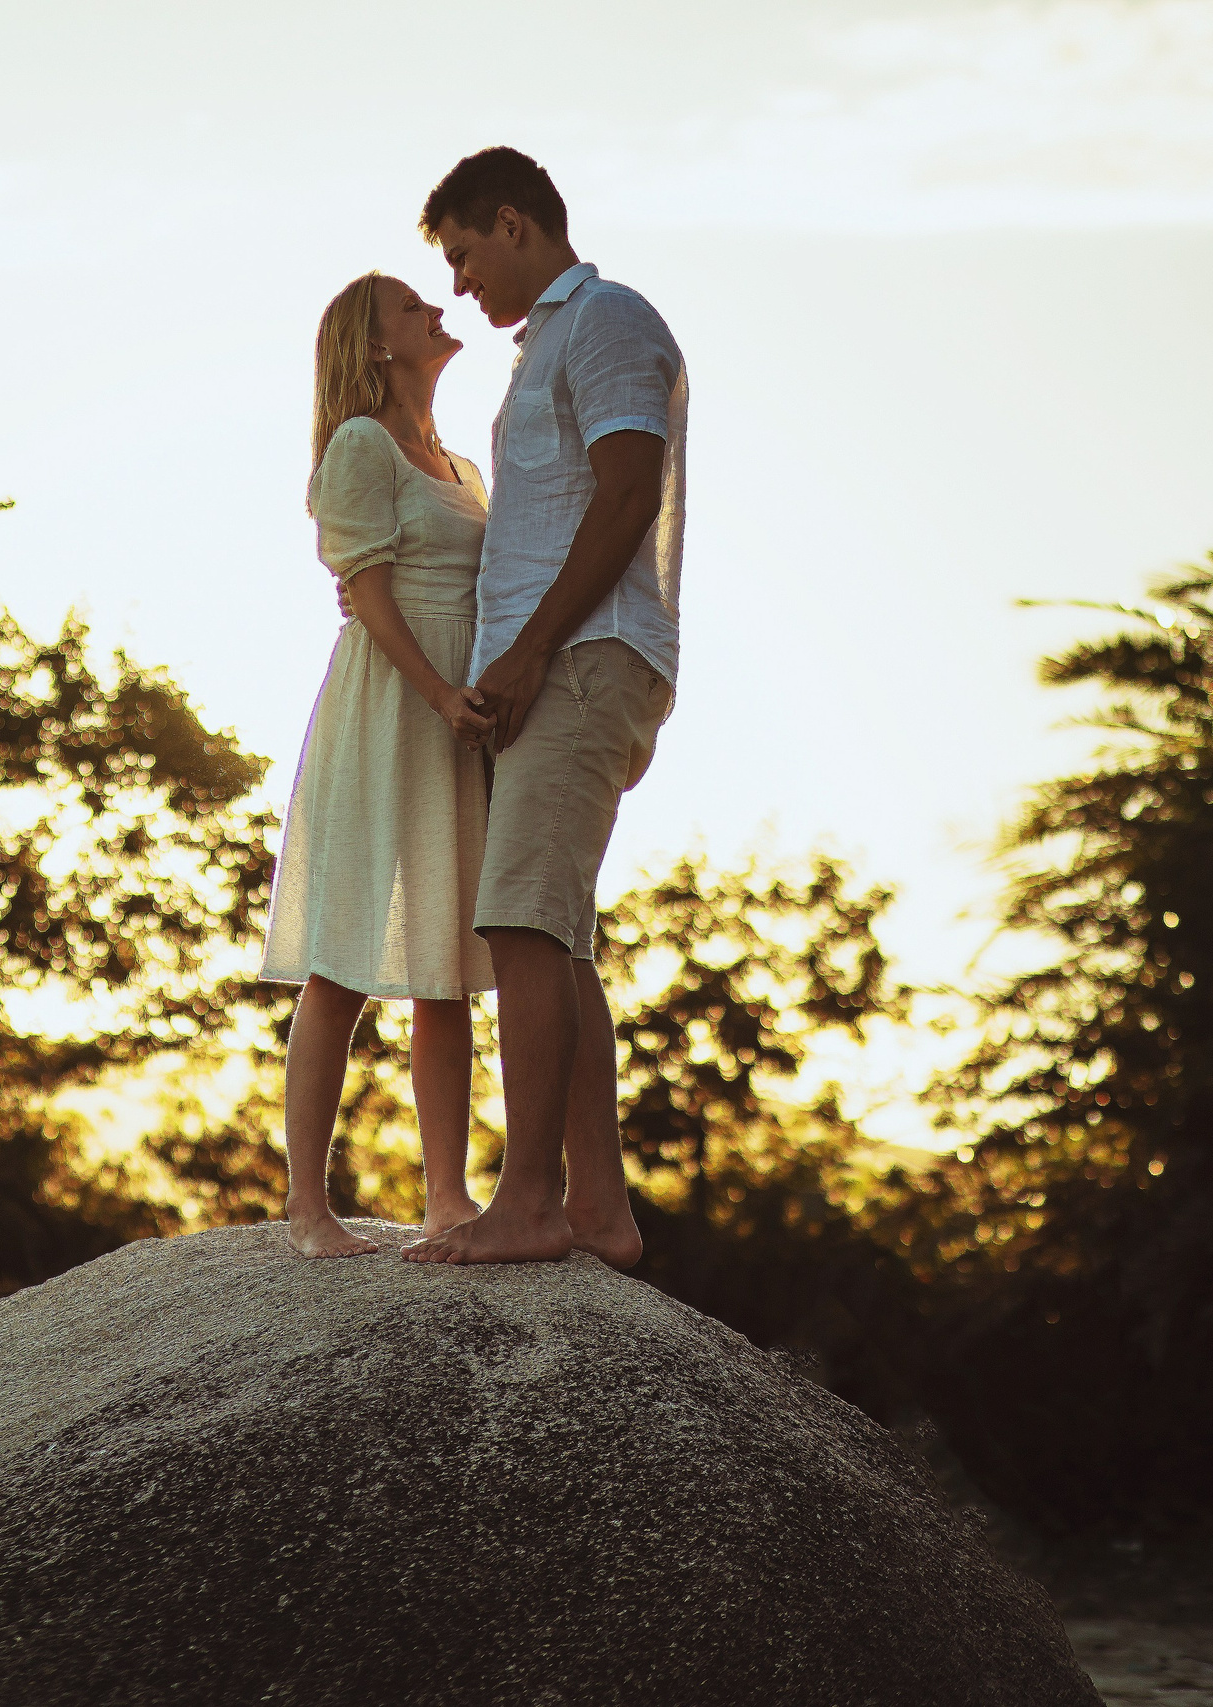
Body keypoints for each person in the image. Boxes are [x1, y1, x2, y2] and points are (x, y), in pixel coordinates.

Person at [398, 146, 688, 1269]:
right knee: (554, 938)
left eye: (464, 255)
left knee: (519, 920)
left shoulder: (607, 319)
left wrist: (522, 657)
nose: (460, 286)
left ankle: (528, 1201)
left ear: (513, 222)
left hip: (580, 660)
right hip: (561, 662)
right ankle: (600, 1208)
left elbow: (627, 492)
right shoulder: (549, 347)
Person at [259, 270, 497, 1258]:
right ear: (375, 343)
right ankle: (308, 1208)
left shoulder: (461, 465)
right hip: (389, 707)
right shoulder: (362, 446)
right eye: (413, 307)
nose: (438, 312)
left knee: (445, 961)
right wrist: (439, 693)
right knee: (343, 958)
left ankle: (449, 1193)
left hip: (459, 717)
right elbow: (367, 587)